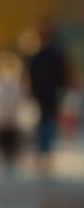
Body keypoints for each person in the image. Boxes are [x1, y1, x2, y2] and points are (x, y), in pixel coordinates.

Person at [24, 21, 71, 174]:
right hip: (50, 92)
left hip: (43, 92)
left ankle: (44, 150)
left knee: (44, 120)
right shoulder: (55, 54)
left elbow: (31, 75)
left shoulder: (38, 55)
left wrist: (32, 91)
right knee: (48, 119)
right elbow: (63, 74)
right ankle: (46, 150)